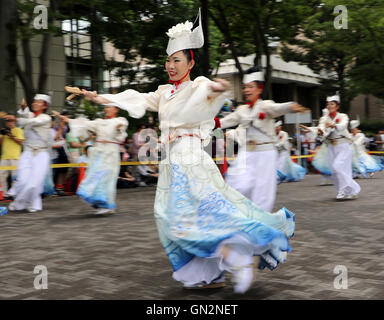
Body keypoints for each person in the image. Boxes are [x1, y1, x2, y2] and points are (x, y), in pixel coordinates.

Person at [80, 10, 295, 294]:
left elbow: (209, 92)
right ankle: (207, 275)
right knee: (176, 217)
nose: (170, 65)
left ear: (191, 62)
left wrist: (217, 90)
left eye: (177, 60)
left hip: (190, 157)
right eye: (168, 60)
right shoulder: (164, 92)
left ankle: (236, 258)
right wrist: (98, 96)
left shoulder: (198, 84)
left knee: (187, 218)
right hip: (173, 160)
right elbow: (136, 97)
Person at [219, 66, 308, 212]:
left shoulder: (265, 105)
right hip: (247, 153)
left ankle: (260, 221)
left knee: (262, 192)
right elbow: (225, 121)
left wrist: (290, 106)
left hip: (265, 153)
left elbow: (278, 108)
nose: (246, 90)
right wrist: (203, 124)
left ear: (259, 89)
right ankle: (241, 215)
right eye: (244, 87)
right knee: (238, 183)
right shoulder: (241, 110)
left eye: (250, 87)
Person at [55, 103, 134, 215]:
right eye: (105, 107)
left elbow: (121, 134)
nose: (106, 109)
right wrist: (68, 120)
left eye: (108, 107)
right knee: (95, 176)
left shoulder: (121, 120)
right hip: (99, 152)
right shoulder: (99, 122)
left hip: (110, 152)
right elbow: (84, 124)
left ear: (116, 109)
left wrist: (118, 129)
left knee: (107, 178)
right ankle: (100, 203)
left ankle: (107, 204)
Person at [5, 94, 52, 212]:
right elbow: (25, 115)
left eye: (38, 102)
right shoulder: (30, 115)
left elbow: (33, 121)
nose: (35, 103)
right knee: (23, 180)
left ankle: (28, 203)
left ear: (44, 105)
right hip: (27, 152)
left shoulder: (46, 118)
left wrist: (16, 119)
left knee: (34, 183)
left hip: (41, 154)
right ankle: (21, 203)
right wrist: (23, 107)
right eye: (34, 102)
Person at [316, 95, 361, 200]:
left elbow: (343, 125)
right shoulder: (324, 118)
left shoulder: (343, 116)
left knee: (338, 166)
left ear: (337, 106)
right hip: (331, 146)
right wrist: (317, 131)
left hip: (343, 145)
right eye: (328, 104)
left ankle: (343, 191)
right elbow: (321, 129)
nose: (329, 106)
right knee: (335, 170)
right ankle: (350, 191)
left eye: (332, 104)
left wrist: (333, 125)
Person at [0, 114, 24, 197]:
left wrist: (10, 135)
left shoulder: (18, 130)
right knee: (2, 176)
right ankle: (4, 194)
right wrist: (3, 134)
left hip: (15, 157)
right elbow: (1, 143)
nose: (9, 123)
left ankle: (15, 194)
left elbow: (21, 142)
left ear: (14, 122)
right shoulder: (3, 131)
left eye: (11, 121)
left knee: (15, 176)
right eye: (7, 121)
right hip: (4, 157)